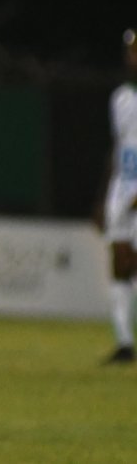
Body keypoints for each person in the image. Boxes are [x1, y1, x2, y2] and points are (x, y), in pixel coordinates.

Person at [97, 28, 137, 364]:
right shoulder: (121, 97)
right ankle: (124, 342)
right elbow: (117, 146)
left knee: (133, 263)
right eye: (130, 51)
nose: (132, 57)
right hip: (121, 188)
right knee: (119, 262)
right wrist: (104, 195)